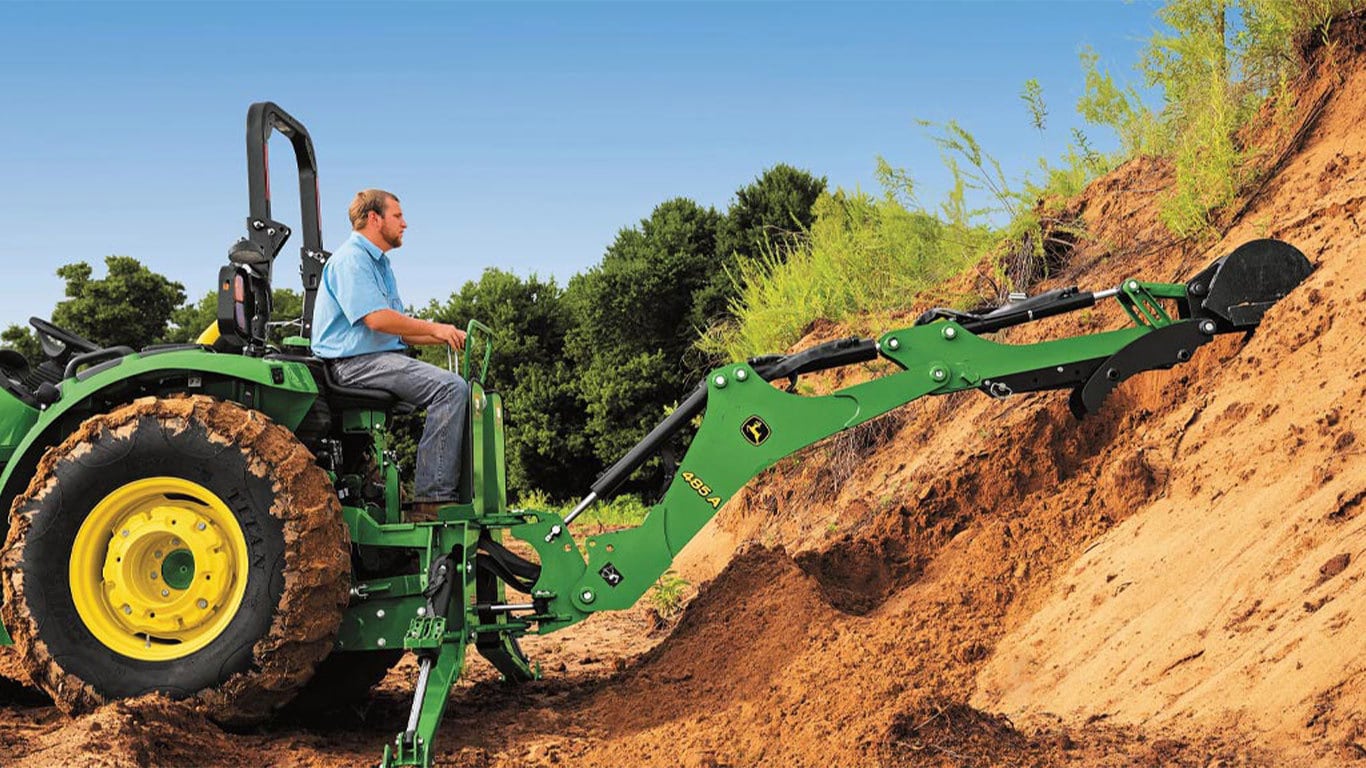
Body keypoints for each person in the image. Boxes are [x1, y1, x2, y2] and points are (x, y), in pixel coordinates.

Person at [311, 189, 468, 521]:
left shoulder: (379, 264)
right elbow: (376, 319)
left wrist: (444, 334)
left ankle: (426, 495)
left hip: (376, 360)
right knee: (450, 388)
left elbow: (396, 329)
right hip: (353, 365)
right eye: (398, 216)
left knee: (453, 387)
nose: (405, 224)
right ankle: (433, 499)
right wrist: (435, 327)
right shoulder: (352, 259)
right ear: (374, 219)